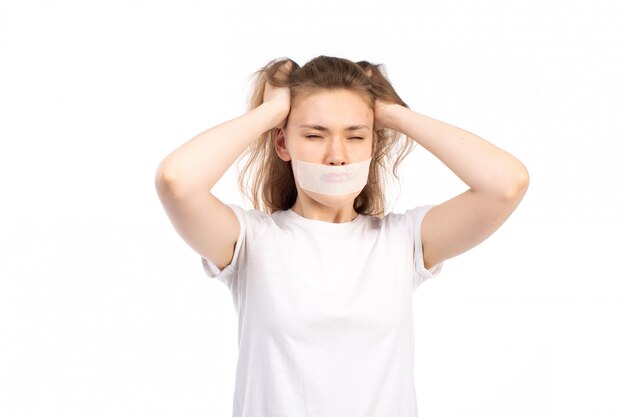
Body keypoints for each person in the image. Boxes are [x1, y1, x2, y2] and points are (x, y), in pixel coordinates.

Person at [154, 55, 529, 417]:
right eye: (315, 135)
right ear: (283, 144)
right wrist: (268, 113)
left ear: (373, 145)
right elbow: (177, 182)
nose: (337, 156)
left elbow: (506, 184)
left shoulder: (403, 241)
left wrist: (392, 113)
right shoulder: (252, 240)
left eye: (355, 136)